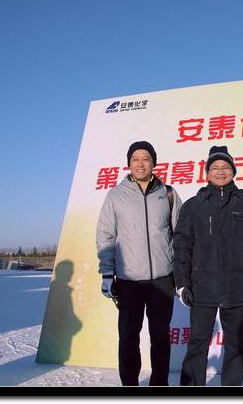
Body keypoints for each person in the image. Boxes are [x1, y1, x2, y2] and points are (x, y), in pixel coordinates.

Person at [97, 140, 182, 386]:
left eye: (146, 159)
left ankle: (159, 384)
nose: (140, 164)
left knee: (161, 337)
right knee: (128, 338)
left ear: (154, 163)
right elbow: (106, 236)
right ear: (129, 164)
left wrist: (180, 274)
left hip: (162, 280)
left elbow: (180, 235)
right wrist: (107, 273)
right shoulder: (116, 195)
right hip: (128, 281)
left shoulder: (167, 193)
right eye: (135, 159)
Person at [173, 146, 243, 386]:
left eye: (225, 167)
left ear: (234, 171)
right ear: (207, 173)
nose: (220, 172)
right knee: (197, 342)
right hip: (202, 287)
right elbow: (182, 247)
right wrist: (182, 283)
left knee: (235, 344)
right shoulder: (193, 206)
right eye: (215, 168)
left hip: (236, 286)